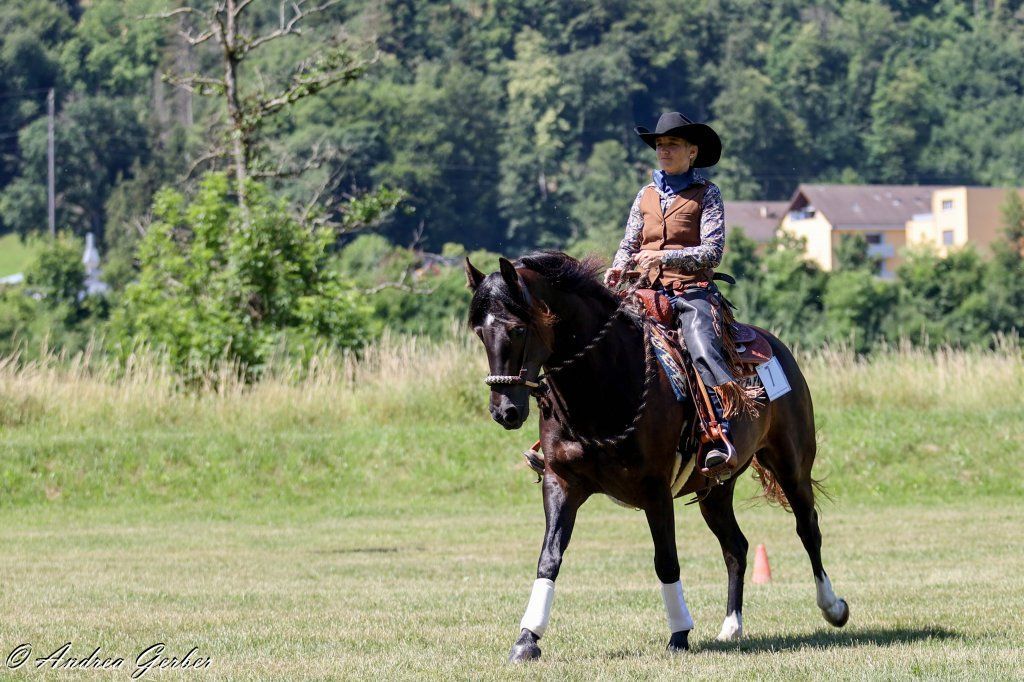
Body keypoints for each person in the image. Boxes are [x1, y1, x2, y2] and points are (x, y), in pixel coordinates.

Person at [604, 111, 741, 476]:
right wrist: (618, 267)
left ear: (692, 152)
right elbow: (629, 243)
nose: (664, 151)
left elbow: (712, 252)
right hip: (644, 291)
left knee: (702, 348)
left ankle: (718, 433)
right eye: (660, 145)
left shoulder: (707, 194)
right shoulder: (645, 194)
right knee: (595, 336)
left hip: (691, 292)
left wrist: (663, 257)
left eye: (673, 145)